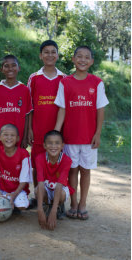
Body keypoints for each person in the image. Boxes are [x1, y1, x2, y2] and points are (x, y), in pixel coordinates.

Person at [54, 46, 109, 220]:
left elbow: (100, 110)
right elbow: (62, 109)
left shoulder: (97, 82)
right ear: (73, 59)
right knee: (72, 170)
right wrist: (56, 132)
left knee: (85, 170)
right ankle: (74, 203)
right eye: (79, 56)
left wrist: (98, 133)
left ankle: (83, 203)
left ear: (91, 61)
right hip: (70, 136)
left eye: (87, 57)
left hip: (89, 137)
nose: (83, 60)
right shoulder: (65, 82)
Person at [27, 40, 66, 208]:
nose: (50, 55)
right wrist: (29, 129)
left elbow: (65, 108)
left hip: (58, 132)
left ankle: (58, 200)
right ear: (40, 55)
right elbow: (29, 107)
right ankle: (39, 196)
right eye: (46, 52)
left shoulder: (64, 78)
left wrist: (60, 131)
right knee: (37, 164)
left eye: (53, 52)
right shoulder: (34, 78)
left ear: (57, 55)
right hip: (38, 130)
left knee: (56, 164)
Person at [0, 54, 33, 149]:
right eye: (6, 66)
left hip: (18, 137)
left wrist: (24, 137)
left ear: (19, 68)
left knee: (17, 162)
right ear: (1, 69)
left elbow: (27, 115)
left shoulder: (24, 90)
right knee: (0, 161)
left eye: (13, 65)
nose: (10, 69)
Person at [35, 130, 74, 230]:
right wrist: (39, 209)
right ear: (44, 145)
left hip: (59, 189)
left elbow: (60, 184)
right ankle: (46, 206)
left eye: (57, 143)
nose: (53, 146)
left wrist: (53, 212)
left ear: (62, 146)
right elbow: (40, 183)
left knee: (61, 194)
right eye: (50, 143)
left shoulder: (66, 160)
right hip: (47, 187)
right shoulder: (39, 158)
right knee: (37, 191)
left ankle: (57, 207)